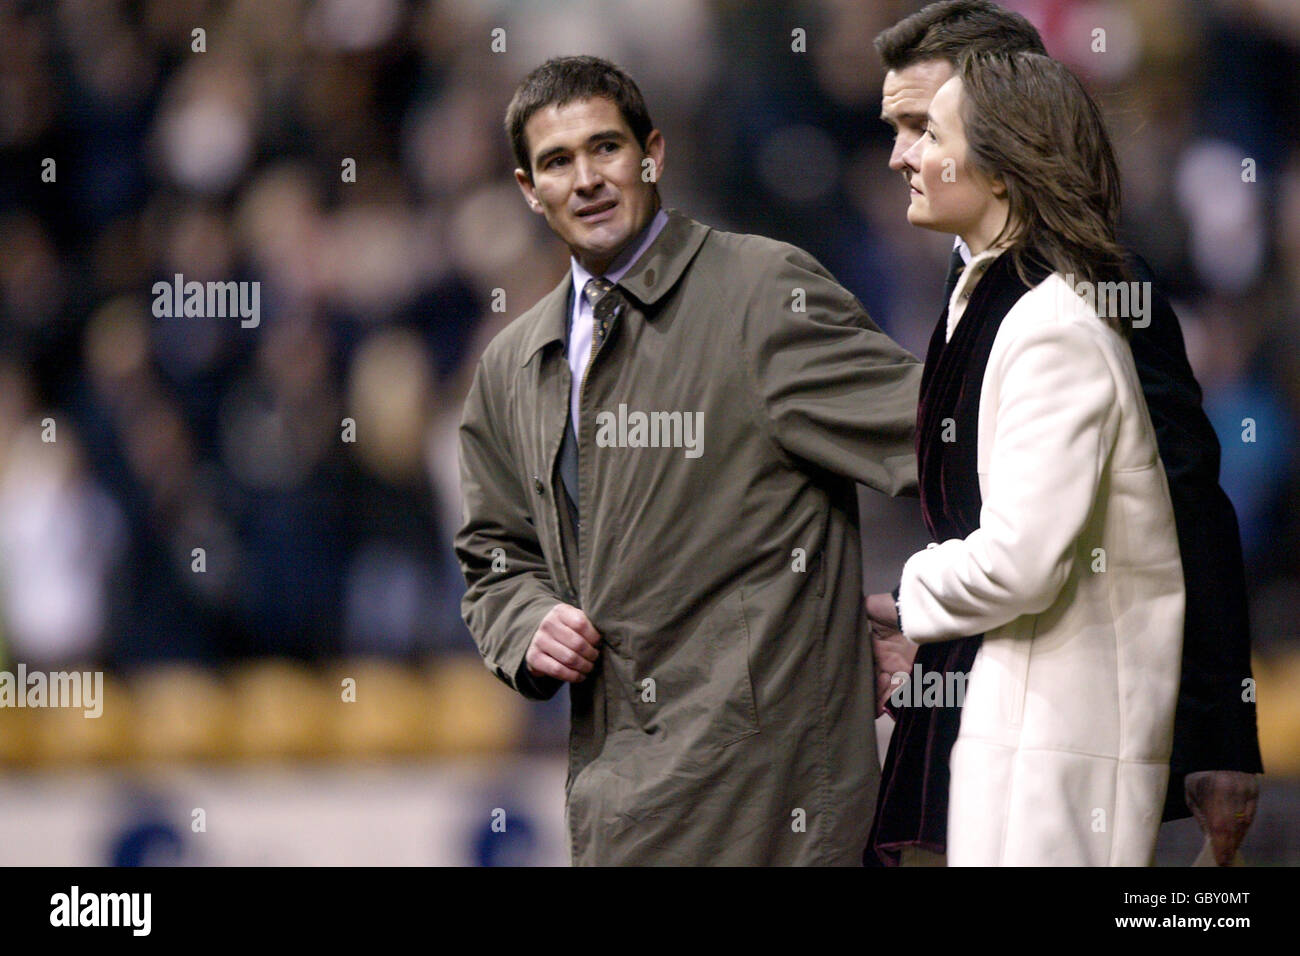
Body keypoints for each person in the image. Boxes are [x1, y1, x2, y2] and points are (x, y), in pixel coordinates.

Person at [455, 55, 923, 865]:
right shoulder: (511, 364)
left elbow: (953, 445)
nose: (588, 178)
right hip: (618, 816)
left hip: (777, 817)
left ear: (653, 155)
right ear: (529, 190)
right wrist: (526, 623)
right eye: (558, 162)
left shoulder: (761, 293)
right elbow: (494, 559)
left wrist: (937, 618)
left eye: (605, 148)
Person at [867, 0, 1262, 867]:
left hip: (1058, 706)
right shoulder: (972, 274)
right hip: (974, 682)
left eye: (923, 126)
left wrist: (1222, 735)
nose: (902, 153)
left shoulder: (1091, 287)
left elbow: (1187, 497)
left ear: (1001, 129)